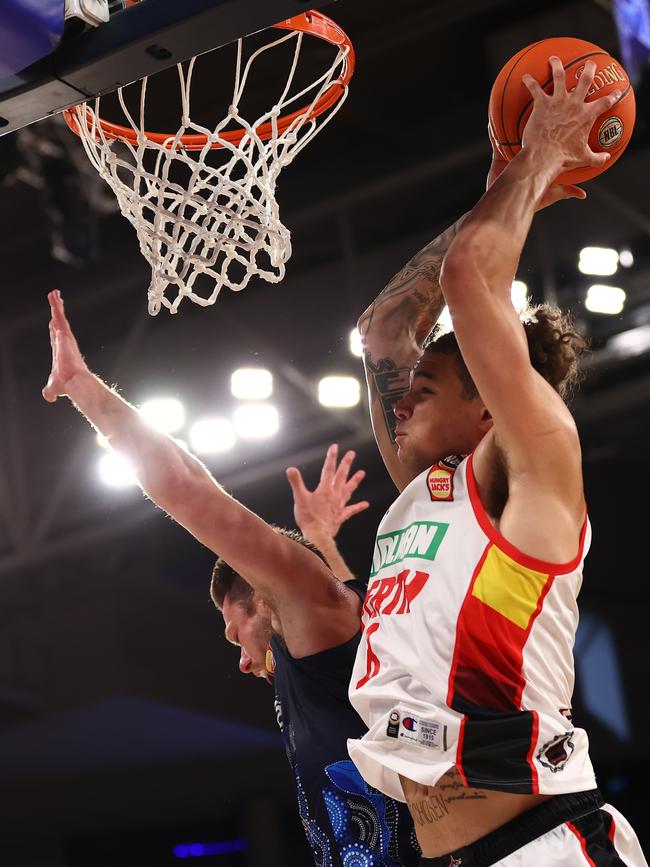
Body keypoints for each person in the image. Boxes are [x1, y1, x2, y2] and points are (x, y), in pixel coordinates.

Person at [346, 57, 647, 866]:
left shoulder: (533, 465)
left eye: (428, 385)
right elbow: (380, 331)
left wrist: (535, 158)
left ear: (491, 405)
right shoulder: (428, 492)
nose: (401, 401)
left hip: (546, 843)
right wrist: (499, 190)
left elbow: (469, 277)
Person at [42, 294, 421, 867]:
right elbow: (355, 606)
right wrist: (320, 540)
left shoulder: (316, 619)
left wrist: (82, 387)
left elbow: (188, 487)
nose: (242, 661)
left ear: (264, 599)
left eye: (233, 632)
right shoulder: (335, 639)